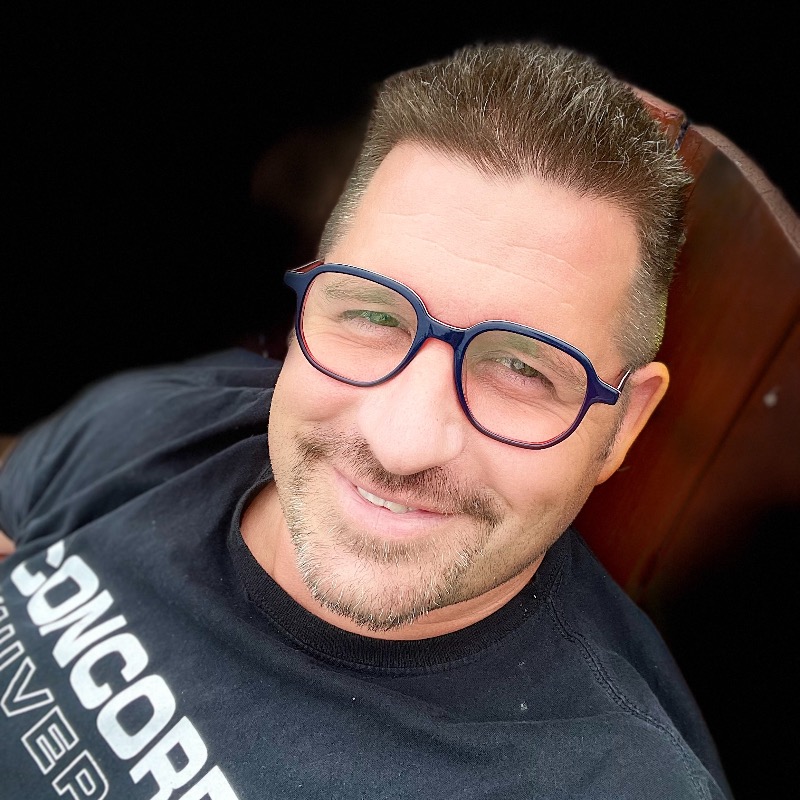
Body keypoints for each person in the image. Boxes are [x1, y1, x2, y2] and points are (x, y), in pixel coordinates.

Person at [0, 39, 733, 799]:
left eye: (522, 368)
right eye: (374, 315)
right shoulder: (144, 423)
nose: (400, 443)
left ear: (623, 425)